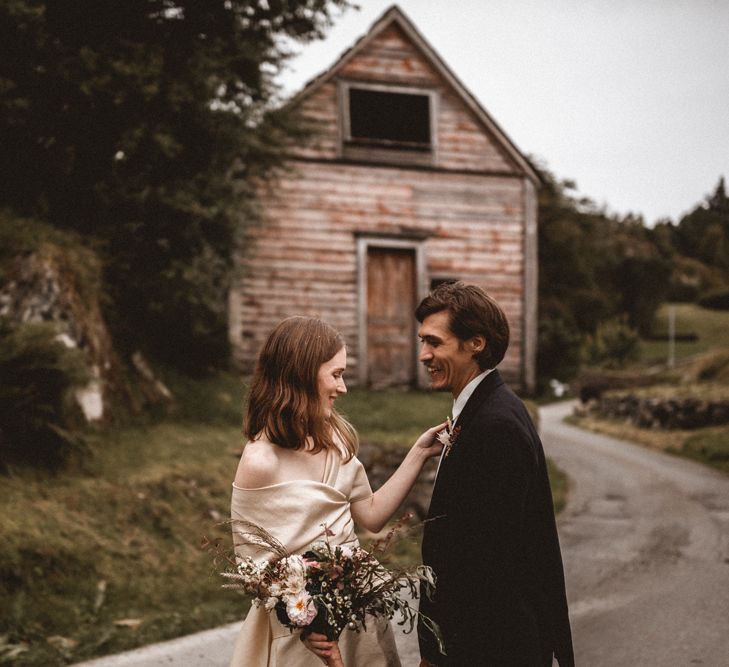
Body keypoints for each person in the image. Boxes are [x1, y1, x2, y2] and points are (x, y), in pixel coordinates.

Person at [229, 316, 445, 667]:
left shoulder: (335, 443)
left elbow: (372, 516)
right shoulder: (260, 462)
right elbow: (255, 570)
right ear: (302, 374)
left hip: (360, 623)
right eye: (336, 374)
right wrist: (306, 619)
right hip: (303, 636)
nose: (343, 387)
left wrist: (418, 453)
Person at [415, 282, 574, 667]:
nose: (423, 355)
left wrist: (439, 653)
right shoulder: (480, 413)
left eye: (435, 342)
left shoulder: (496, 425)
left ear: (476, 343)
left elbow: (485, 564)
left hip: (491, 646)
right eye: (422, 341)